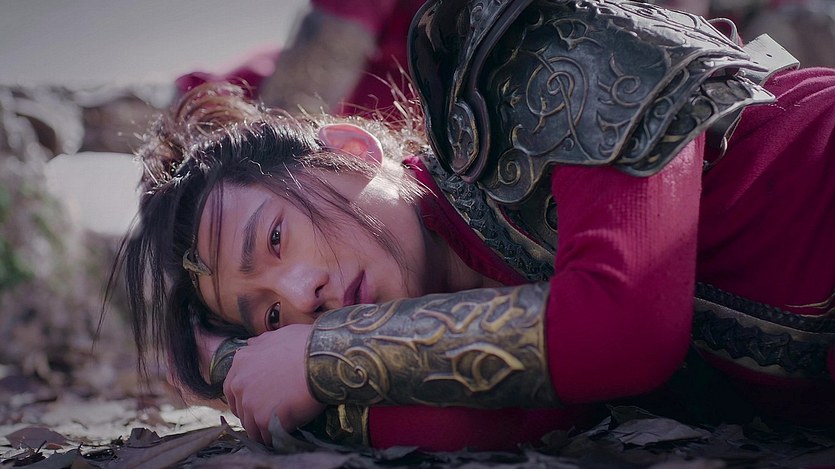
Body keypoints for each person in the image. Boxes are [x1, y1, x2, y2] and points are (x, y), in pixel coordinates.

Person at [119, 0, 835, 452]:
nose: (303, 295)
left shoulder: (538, 66)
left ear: (349, 148)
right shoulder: (460, 309)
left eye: (275, 239)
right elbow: (498, 422)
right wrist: (239, 370)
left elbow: (624, 326)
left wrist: (318, 356)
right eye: (271, 315)